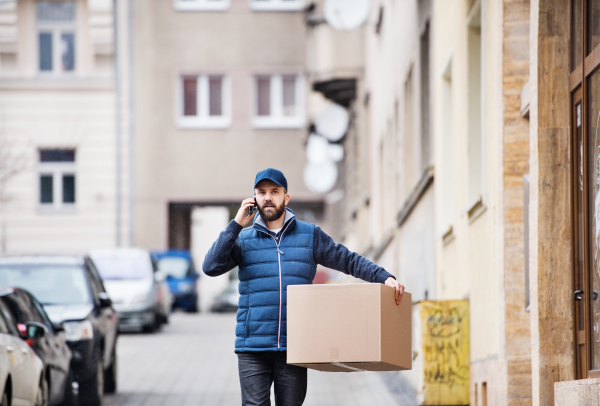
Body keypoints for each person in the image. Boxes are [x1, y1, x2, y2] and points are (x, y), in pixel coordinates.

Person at [203, 168, 405, 406]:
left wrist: (383, 277)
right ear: (254, 198)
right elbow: (211, 266)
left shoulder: (309, 236)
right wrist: (235, 225)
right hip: (252, 347)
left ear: (286, 198)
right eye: (262, 192)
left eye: (274, 192)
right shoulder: (242, 239)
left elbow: (347, 259)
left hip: (295, 346)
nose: (268, 197)